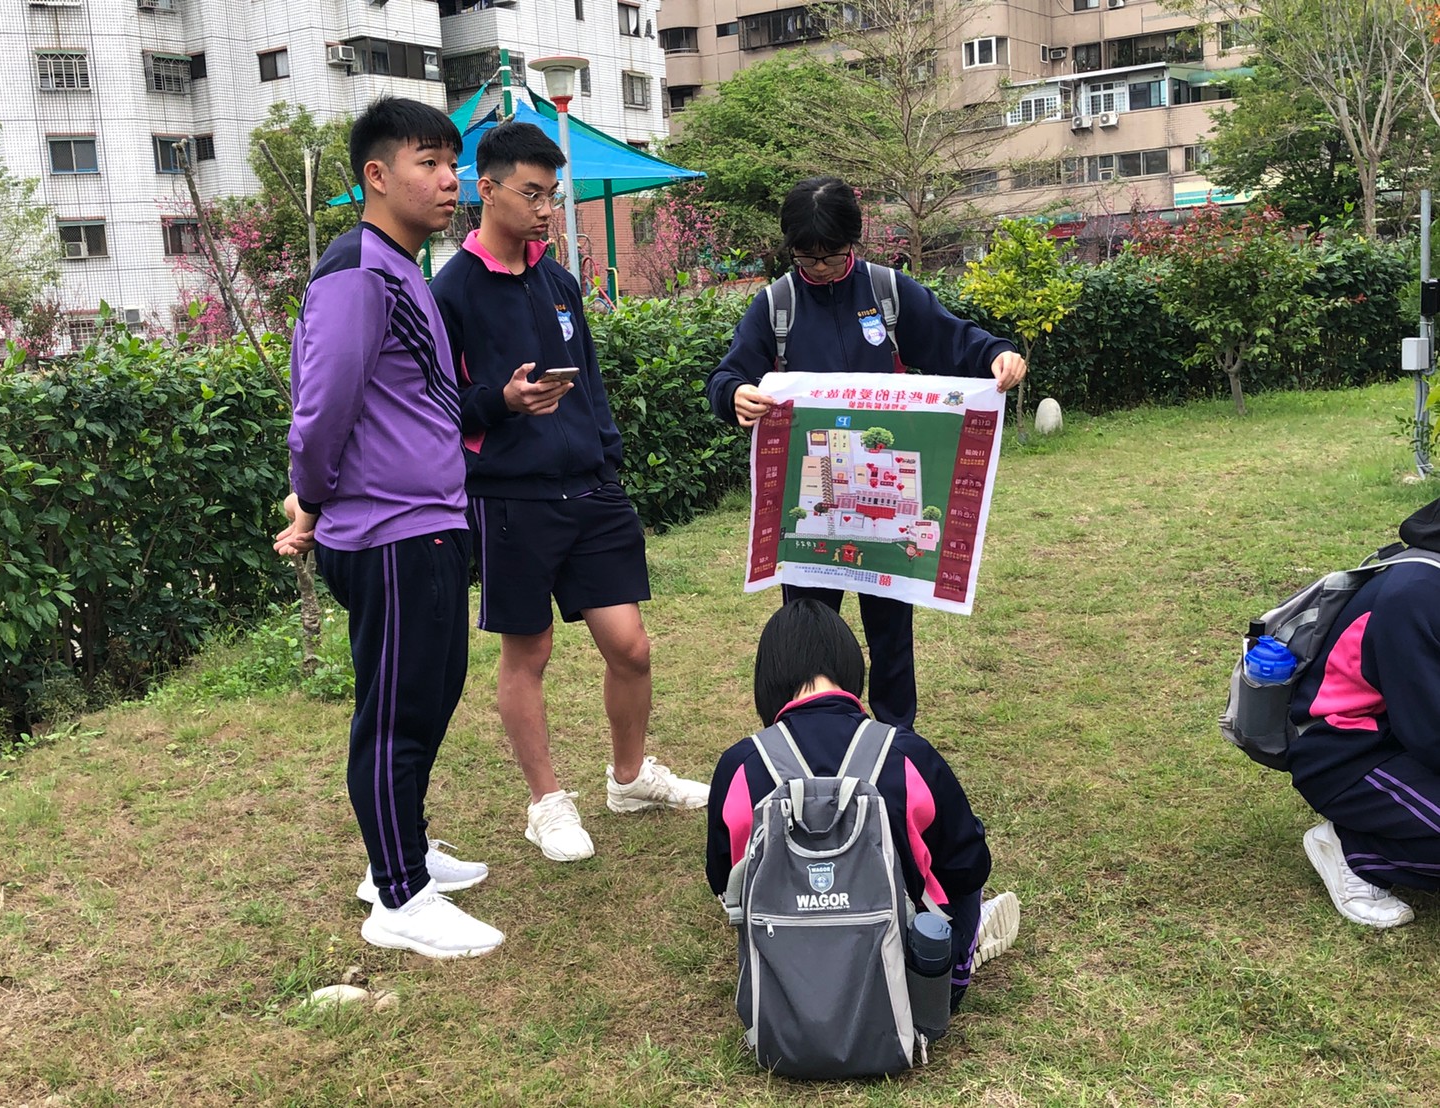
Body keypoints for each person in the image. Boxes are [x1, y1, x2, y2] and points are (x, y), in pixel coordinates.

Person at [429, 121, 708, 863]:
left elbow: (589, 376)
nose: (546, 208)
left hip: (590, 489)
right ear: (485, 190)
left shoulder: (557, 280)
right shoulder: (449, 292)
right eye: (532, 193)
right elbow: (431, 406)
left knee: (631, 647)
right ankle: (547, 803)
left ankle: (629, 778)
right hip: (510, 498)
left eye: (551, 194)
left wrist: (606, 456)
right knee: (531, 651)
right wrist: (500, 403)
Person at [274, 97, 502, 959]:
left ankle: (399, 851)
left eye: (453, 163)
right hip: (389, 534)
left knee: (432, 694)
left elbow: (410, 403)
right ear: (376, 175)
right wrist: (310, 500)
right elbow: (320, 410)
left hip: (428, 522)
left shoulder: (400, 267)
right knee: (395, 715)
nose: (451, 181)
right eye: (428, 163)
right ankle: (398, 897)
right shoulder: (357, 273)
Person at [706, 177, 1028, 731]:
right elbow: (728, 373)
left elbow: (952, 340)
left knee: (891, 628)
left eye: (832, 256)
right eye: (807, 257)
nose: (820, 268)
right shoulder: (777, 304)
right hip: (813, 502)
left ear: (853, 242)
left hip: (888, 494)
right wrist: (733, 393)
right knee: (808, 628)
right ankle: (811, 731)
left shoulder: (887, 293)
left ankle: (895, 736)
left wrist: (997, 354)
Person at [705, 599, 1020, 1013]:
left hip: (783, 999)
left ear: (765, 682)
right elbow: (969, 866)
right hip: (908, 989)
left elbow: (722, 880)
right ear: (853, 671)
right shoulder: (905, 753)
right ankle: (952, 970)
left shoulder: (741, 766)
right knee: (961, 842)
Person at [1289, 498, 1440, 928]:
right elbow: (1430, 731)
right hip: (1348, 753)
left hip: (1406, 737)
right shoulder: (1415, 594)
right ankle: (1354, 851)